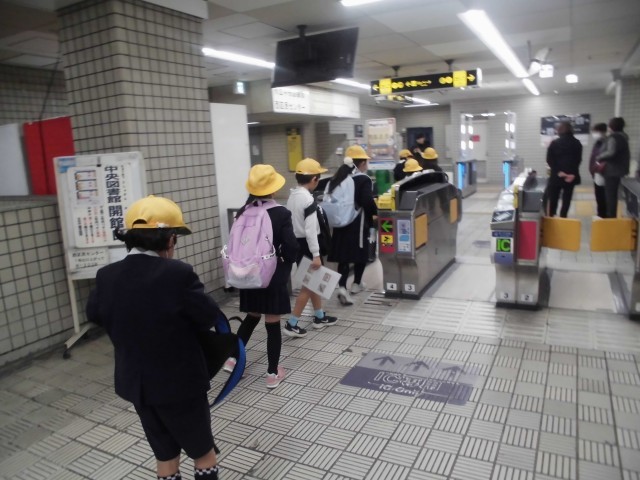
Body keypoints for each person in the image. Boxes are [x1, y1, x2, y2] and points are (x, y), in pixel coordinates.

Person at [86, 195, 231, 480]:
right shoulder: (178, 274)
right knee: (203, 453)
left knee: (165, 456)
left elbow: (95, 314)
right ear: (170, 239)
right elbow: (207, 316)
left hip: (137, 385)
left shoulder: (106, 275)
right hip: (181, 385)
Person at [223, 164, 298, 388]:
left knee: (252, 317)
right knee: (272, 323)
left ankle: (232, 360)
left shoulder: (243, 212)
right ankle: (272, 374)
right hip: (272, 275)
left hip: (248, 274)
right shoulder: (281, 213)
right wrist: (285, 260)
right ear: (273, 189)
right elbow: (291, 247)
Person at [285, 158, 339, 335]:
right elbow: (310, 230)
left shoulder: (293, 196)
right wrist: (316, 254)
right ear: (314, 179)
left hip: (298, 244)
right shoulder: (307, 199)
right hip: (308, 246)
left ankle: (319, 316)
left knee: (313, 282)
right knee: (308, 286)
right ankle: (292, 323)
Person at [327, 145, 378, 306]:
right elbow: (367, 201)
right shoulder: (363, 179)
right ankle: (356, 283)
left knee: (343, 255)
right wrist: (375, 212)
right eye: (366, 162)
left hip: (340, 223)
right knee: (361, 252)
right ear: (362, 163)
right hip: (358, 223)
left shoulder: (339, 178)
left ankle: (343, 286)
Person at [545, 121, 583, 218]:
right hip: (571, 176)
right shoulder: (577, 143)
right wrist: (571, 174)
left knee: (553, 197)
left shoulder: (554, 143)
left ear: (559, 130)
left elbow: (549, 160)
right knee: (567, 198)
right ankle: (563, 217)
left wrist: (559, 172)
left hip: (556, 176)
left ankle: (552, 216)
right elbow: (578, 160)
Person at [596, 117, 630, 218]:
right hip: (620, 169)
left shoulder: (613, 137)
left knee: (610, 195)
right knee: (614, 194)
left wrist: (599, 157)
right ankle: (612, 215)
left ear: (611, 126)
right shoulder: (624, 137)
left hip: (612, 171)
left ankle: (611, 217)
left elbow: (611, 152)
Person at [588, 122, 608, 218]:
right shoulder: (598, 142)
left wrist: (596, 167)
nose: (594, 134)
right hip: (596, 172)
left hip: (602, 172)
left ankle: (603, 215)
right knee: (598, 194)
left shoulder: (606, 142)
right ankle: (600, 214)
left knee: (602, 195)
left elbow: (602, 158)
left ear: (602, 131)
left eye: (595, 131)